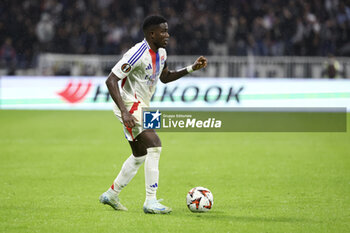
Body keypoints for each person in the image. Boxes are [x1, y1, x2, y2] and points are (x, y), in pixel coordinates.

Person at [99, 15, 207, 214]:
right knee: (155, 145)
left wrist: (192, 68)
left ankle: (112, 193)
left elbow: (164, 77)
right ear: (151, 34)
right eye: (163, 31)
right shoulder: (137, 53)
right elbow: (111, 80)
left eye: (167, 30)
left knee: (140, 154)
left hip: (142, 105)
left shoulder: (162, 53)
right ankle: (151, 201)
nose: (167, 34)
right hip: (130, 104)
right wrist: (124, 111)